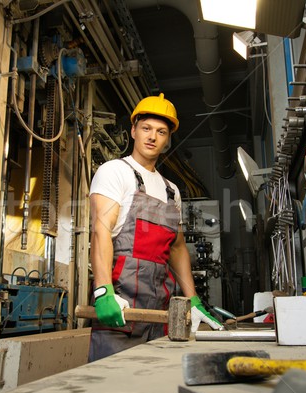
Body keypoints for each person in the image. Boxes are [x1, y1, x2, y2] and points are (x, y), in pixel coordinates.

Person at [88, 93, 223, 362]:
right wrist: (103, 291)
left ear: (167, 139)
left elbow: (178, 248)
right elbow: (101, 232)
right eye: (146, 128)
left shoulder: (171, 190)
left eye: (161, 132)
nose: (152, 136)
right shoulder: (115, 171)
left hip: (161, 310)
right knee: (111, 385)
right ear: (134, 131)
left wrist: (192, 299)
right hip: (121, 306)